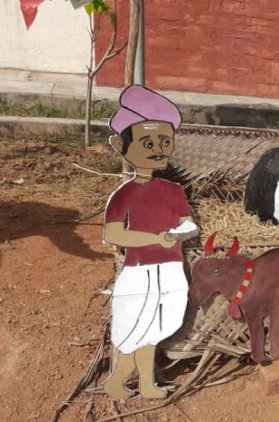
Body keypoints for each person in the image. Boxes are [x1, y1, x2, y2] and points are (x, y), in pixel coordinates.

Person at [102, 84, 198, 400]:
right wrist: (152, 238)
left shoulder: (174, 192)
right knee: (131, 329)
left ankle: (145, 383)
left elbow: (189, 225)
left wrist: (179, 234)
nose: (157, 148)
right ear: (122, 145)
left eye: (164, 141)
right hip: (139, 269)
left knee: (154, 330)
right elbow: (114, 234)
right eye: (147, 142)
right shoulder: (124, 194)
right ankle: (117, 381)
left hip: (171, 269)